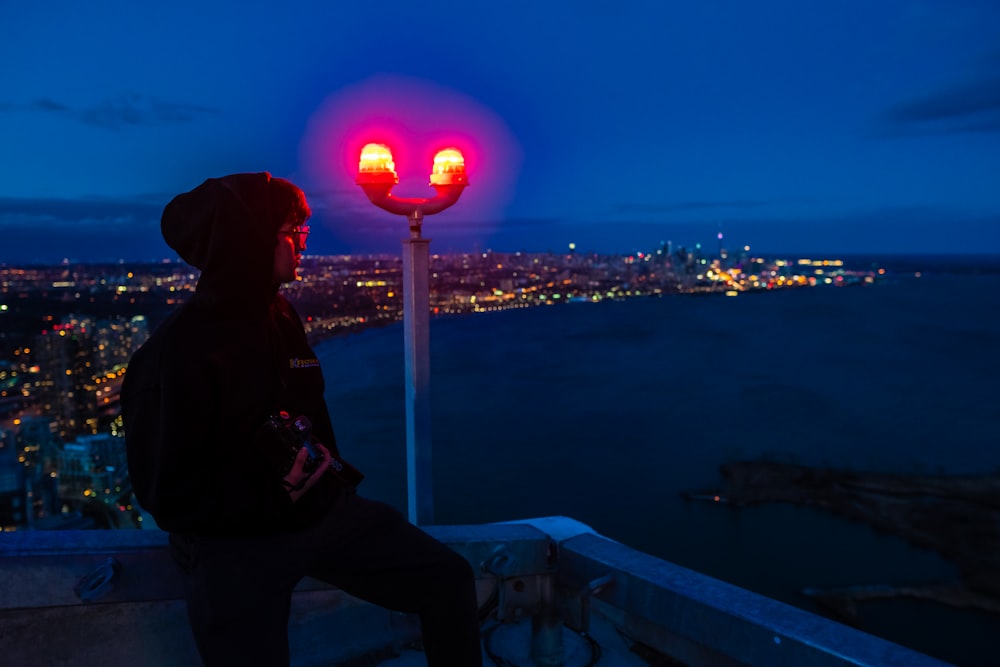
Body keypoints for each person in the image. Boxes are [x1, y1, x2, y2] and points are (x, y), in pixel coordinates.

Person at [121, 172, 483, 666]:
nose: (302, 243)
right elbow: (167, 492)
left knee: (447, 579)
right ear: (247, 240)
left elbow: (307, 412)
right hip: (234, 547)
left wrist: (326, 478)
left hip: (318, 514)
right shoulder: (176, 354)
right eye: (293, 231)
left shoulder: (280, 316)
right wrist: (272, 492)